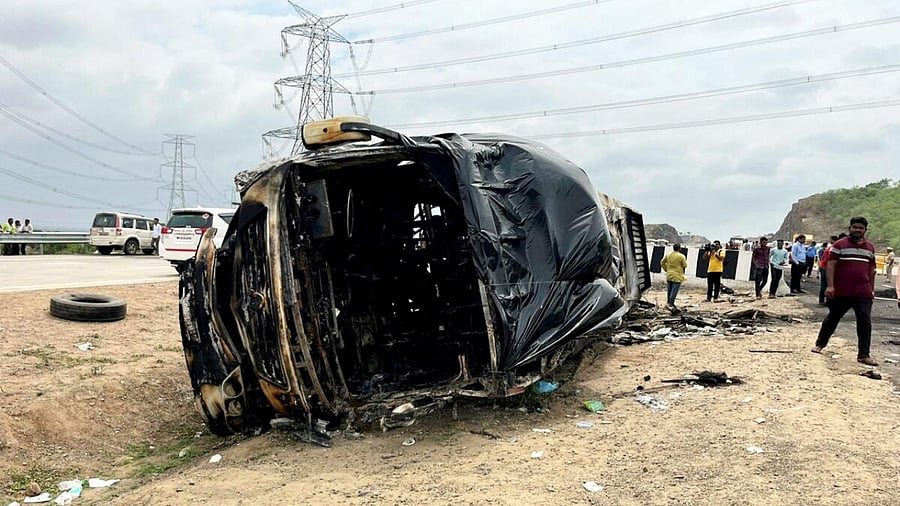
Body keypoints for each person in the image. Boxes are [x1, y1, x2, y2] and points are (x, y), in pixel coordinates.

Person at [811, 217, 877, 365]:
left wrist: (871, 290)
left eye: (860, 228)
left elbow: (871, 270)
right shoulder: (839, 245)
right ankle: (820, 344)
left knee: (865, 321)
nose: (857, 230)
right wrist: (830, 286)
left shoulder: (870, 248)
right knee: (833, 318)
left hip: (863, 292)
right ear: (850, 228)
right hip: (841, 291)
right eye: (855, 227)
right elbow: (831, 266)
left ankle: (864, 355)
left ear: (865, 230)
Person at [660, 243, 688, 311]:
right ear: (679, 248)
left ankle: (668, 303)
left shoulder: (668, 255)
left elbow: (662, 262)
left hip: (669, 275)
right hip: (677, 276)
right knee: (674, 291)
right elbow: (685, 265)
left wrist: (666, 269)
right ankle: (671, 304)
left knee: (669, 290)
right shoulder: (681, 256)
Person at [817, 235, 839, 305]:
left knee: (824, 284)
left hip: (823, 266)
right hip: (826, 267)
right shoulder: (833, 248)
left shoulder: (830, 248)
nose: (830, 241)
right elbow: (830, 260)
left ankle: (822, 300)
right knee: (827, 284)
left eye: (830, 239)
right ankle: (826, 300)